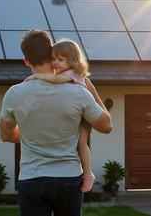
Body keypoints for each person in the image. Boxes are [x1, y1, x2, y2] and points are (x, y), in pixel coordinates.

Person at [0, 29, 112, 216]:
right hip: (69, 179)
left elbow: (5, 135)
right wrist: (90, 87)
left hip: (32, 178)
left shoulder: (14, 93)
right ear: (52, 54)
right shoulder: (79, 92)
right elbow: (106, 126)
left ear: (27, 60)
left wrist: (33, 133)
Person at [24, 38, 95, 193]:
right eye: (53, 59)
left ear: (72, 61)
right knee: (77, 143)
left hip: (83, 116)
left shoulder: (72, 74)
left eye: (60, 60)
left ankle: (88, 173)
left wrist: (36, 76)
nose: (55, 63)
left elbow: (55, 79)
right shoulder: (67, 73)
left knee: (81, 143)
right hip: (75, 113)